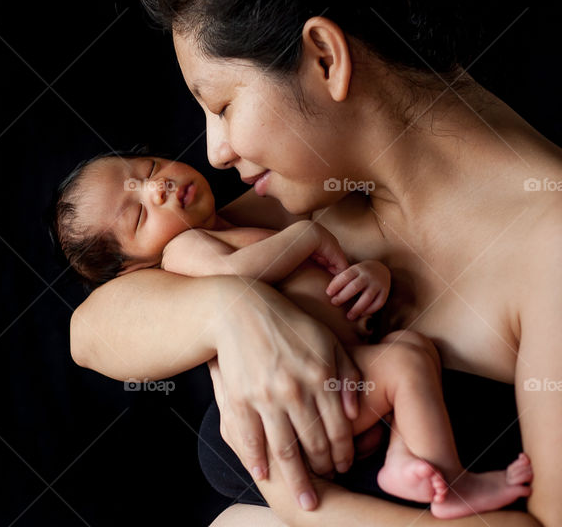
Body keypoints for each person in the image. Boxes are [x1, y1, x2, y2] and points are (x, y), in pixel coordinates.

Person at [68, 0, 562, 524]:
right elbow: (91, 330)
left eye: (223, 106)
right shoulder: (328, 190)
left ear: (325, 57)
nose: (214, 151)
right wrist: (230, 314)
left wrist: (296, 506)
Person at [53, 152, 534, 517]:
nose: (155, 187)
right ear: (136, 266)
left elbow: (328, 279)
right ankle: (451, 482)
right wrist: (306, 236)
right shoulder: (186, 249)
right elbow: (236, 273)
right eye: (137, 214)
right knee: (407, 364)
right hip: (309, 394)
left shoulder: (241, 220)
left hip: (345, 360)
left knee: (411, 349)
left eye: (149, 166)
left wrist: (372, 275)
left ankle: (407, 458)